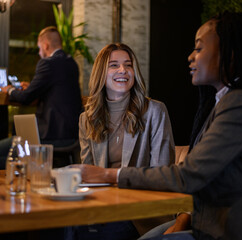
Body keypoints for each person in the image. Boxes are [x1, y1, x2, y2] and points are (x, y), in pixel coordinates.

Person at [73, 12, 242, 240]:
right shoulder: (222, 102)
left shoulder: (240, 103)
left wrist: (108, 175)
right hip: (204, 222)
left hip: (228, 229)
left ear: (229, 55)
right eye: (114, 66)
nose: (191, 56)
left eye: (199, 48)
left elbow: (189, 175)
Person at [68, 43, 175, 239]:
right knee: (62, 228)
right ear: (101, 72)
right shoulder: (87, 119)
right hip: (102, 208)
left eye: (128, 65)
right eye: (114, 65)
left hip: (141, 212)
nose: (123, 70)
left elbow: (162, 175)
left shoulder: (155, 111)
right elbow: (89, 173)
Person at [0, 26, 83, 169]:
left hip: (52, 134)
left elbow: (26, 97)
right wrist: (32, 86)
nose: (39, 52)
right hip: (72, 134)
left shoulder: (47, 63)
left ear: (45, 45)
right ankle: (36, 172)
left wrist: (10, 90)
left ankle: (30, 173)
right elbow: (56, 89)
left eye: (39, 48)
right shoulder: (71, 63)